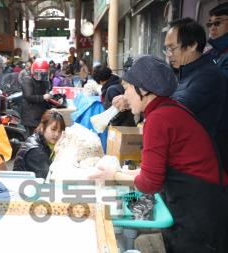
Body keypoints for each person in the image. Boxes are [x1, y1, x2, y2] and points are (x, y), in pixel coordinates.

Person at [90, 55, 228, 253]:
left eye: (128, 87)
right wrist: (118, 172)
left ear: (144, 90)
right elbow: (152, 173)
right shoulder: (167, 110)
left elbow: (149, 183)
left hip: (200, 210)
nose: (124, 95)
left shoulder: (159, 119)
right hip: (199, 201)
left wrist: (113, 176)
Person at [165, 18, 226, 137]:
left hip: (199, 151)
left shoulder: (208, 76)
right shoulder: (183, 72)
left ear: (192, 45)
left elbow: (176, 109)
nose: (169, 54)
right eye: (167, 49)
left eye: (172, 48)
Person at [205, 3, 228, 174]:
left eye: (218, 23)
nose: (212, 28)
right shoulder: (212, 54)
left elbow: (215, 84)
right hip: (212, 125)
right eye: (209, 24)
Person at [14, 109, 65, 179]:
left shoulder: (41, 140)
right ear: (42, 127)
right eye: (53, 129)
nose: (57, 134)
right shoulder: (36, 152)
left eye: (60, 131)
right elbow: (48, 179)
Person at [21, 59, 51, 135]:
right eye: (38, 73)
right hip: (31, 117)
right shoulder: (27, 80)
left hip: (40, 115)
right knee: (33, 138)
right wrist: (43, 97)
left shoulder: (43, 82)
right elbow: (28, 96)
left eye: (43, 74)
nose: (40, 76)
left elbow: (45, 93)